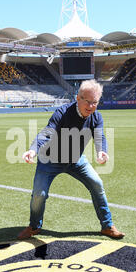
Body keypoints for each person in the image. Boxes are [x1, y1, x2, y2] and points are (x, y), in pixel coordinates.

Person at [18, 79, 125, 240]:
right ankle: (34, 226)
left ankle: (107, 226)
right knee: (39, 194)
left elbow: (100, 136)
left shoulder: (96, 117)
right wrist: (33, 150)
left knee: (97, 184)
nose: (91, 106)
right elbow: (47, 133)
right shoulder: (62, 113)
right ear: (78, 98)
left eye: (94, 102)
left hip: (75, 160)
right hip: (49, 160)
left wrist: (102, 151)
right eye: (87, 102)